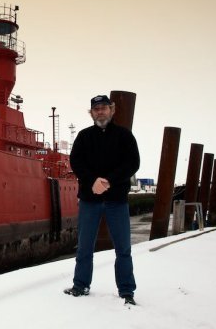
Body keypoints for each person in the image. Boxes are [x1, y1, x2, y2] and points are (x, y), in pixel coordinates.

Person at [64, 95, 140, 305]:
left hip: (117, 200)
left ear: (111, 110)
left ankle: (126, 291)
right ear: (92, 113)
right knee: (84, 247)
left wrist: (108, 181)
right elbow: (76, 161)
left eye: (104, 108)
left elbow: (133, 163)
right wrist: (92, 181)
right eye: (96, 109)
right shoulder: (84, 136)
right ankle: (80, 285)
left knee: (123, 248)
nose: (100, 111)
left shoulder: (124, 136)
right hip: (90, 200)